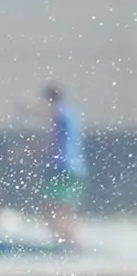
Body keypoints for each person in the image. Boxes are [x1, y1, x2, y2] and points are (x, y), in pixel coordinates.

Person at [39, 82, 87, 248]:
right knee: (64, 207)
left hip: (61, 166)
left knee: (52, 207)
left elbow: (52, 141)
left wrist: (26, 152)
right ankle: (72, 241)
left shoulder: (58, 113)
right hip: (75, 167)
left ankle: (65, 243)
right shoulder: (71, 113)